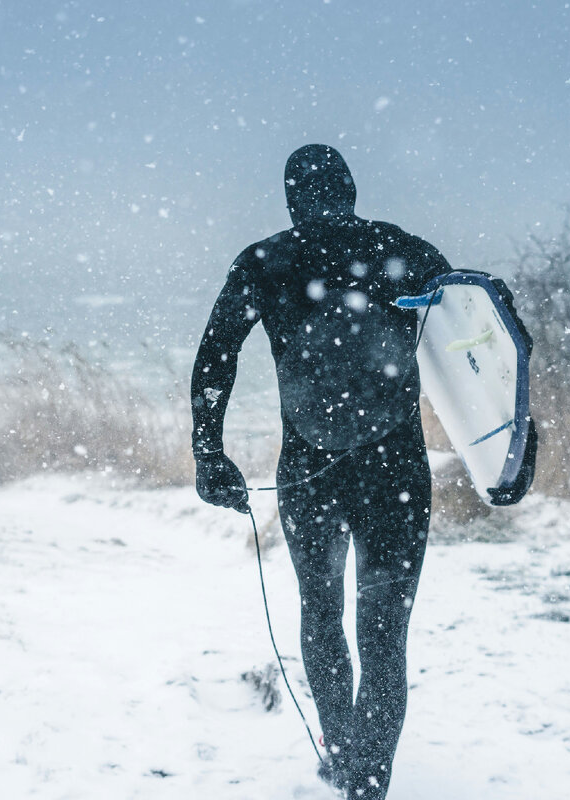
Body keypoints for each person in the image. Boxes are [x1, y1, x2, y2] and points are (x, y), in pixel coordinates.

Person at [190, 144, 452, 799]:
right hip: (396, 468)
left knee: (322, 614)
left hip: (310, 468)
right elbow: (474, 341)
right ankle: (368, 782)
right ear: (353, 190)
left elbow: (215, 360)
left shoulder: (264, 261)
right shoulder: (408, 251)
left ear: (290, 198)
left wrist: (208, 454)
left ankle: (339, 757)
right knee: (384, 633)